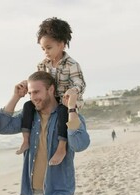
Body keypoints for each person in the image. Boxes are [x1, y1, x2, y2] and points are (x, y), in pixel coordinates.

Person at [0, 71, 90, 195]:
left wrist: (72, 108)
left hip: (59, 191)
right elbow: (2, 126)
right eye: (30, 93)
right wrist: (16, 97)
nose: (33, 97)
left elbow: (79, 144)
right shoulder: (29, 116)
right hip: (31, 192)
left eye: (37, 92)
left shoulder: (69, 115)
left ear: (51, 89)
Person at [17, 17, 86, 167]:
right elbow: (38, 80)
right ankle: (25, 140)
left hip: (66, 103)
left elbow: (80, 83)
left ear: (61, 44)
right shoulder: (42, 64)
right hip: (48, 101)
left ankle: (61, 148)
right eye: (43, 49)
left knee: (61, 111)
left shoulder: (72, 64)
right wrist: (26, 84)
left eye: (48, 48)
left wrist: (72, 90)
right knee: (28, 106)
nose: (45, 52)